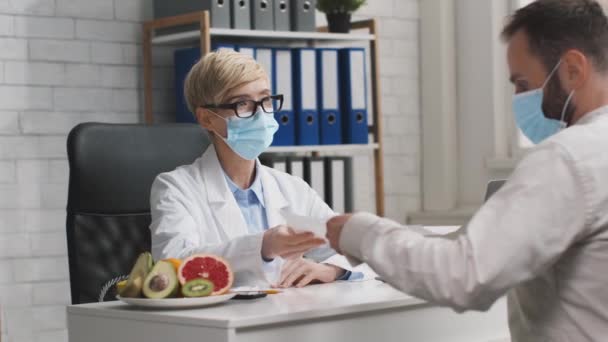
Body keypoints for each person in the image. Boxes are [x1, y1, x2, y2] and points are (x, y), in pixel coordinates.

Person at [326, 0, 608, 340]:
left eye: (522, 83)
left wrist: (358, 231)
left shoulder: (568, 157)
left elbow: (463, 274)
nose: (519, 96)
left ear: (573, 69)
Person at [150, 49, 359, 288]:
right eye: (243, 103)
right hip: (219, 322)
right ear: (207, 118)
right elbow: (171, 266)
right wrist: (263, 246)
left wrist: (330, 269)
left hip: (287, 316)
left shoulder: (292, 188)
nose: (261, 114)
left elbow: (352, 247)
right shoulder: (176, 188)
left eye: (266, 100)